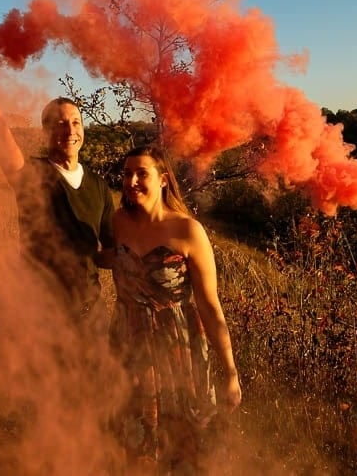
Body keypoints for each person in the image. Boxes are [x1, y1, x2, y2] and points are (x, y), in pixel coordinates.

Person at [105, 145, 242, 473]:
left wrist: (230, 372)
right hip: (127, 340)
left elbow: (210, 306)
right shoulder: (117, 221)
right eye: (126, 174)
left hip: (177, 345)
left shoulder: (187, 230)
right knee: (132, 436)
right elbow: (109, 258)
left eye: (142, 174)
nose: (132, 181)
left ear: (163, 179)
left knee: (181, 440)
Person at [0, 97, 115, 321]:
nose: (70, 131)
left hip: (91, 315)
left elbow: (110, 254)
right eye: (60, 123)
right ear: (46, 130)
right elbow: (12, 163)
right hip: (43, 316)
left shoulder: (99, 185)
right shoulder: (33, 174)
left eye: (76, 122)